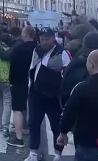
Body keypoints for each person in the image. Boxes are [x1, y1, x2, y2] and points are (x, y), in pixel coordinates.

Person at [24, 27, 71, 161]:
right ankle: (33, 153)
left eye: (48, 39)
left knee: (55, 125)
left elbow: (68, 73)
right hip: (36, 93)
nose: (45, 42)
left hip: (53, 96)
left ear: (54, 38)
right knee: (34, 123)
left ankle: (57, 154)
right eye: (42, 39)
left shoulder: (62, 52)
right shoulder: (37, 49)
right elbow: (32, 67)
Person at [6, 26, 37, 148]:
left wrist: (11, 81)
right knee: (34, 109)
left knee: (18, 108)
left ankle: (19, 138)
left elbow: (13, 65)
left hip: (20, 81)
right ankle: (33, 135)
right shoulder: (37, 48)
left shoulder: (20, 48)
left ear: (25, 34)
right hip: (36, 82)